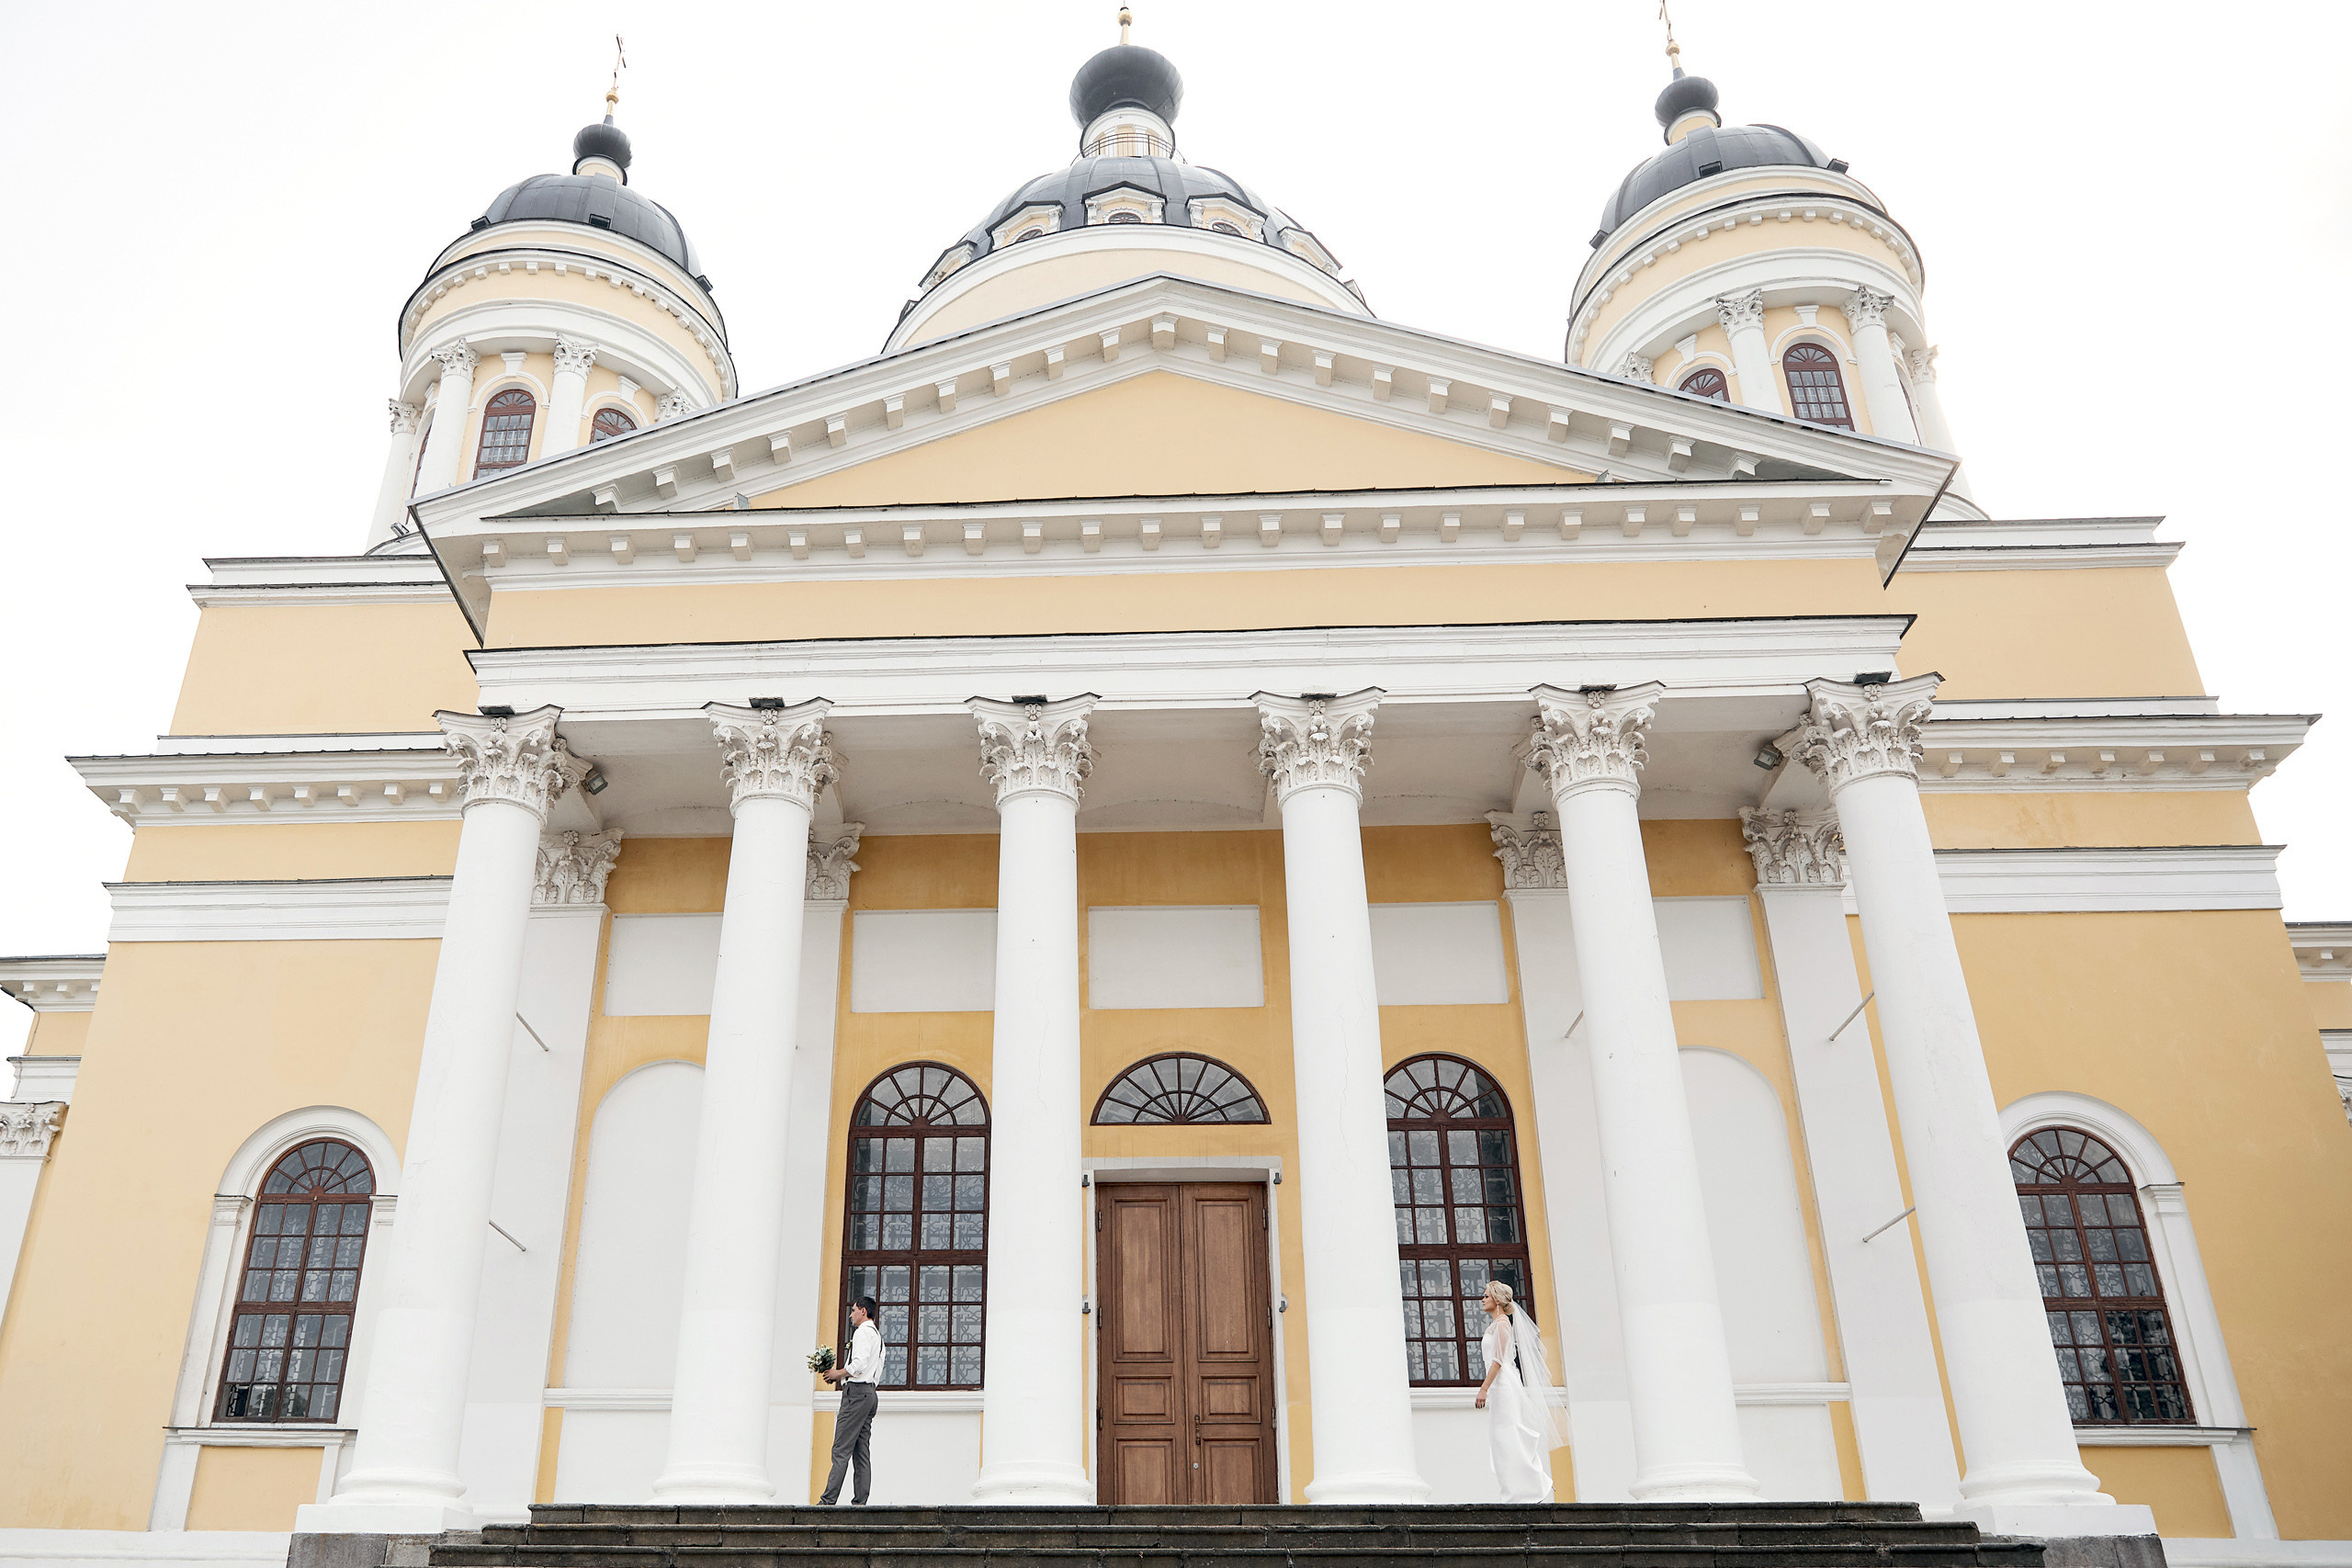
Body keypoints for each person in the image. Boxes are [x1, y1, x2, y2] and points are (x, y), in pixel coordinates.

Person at [1473, 1279, 1566, 1503]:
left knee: (1509, 1435)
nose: (1482, 1299)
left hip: (1504, 1385)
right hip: (1499, 1387)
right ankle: (1514, 1491)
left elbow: (1498, 1360)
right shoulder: (1495, 1325)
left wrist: (1483, 1389)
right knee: (1501, 1439)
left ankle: (1537, 1483)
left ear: (1496, 1300)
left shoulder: (1503, 1324)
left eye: (1486, 1295)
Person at [818, 1295, 883, 1505]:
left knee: (841, 1449)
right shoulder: (878, 1337)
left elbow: (859, 1365)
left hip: (856, 1394)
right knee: (861, 1450)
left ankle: (828, 1501)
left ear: (863, 1311)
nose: (851, 1315)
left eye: (853, 1310)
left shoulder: (863, 1332)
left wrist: (838, 1373)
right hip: (870, 1394)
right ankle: (860, 1503)